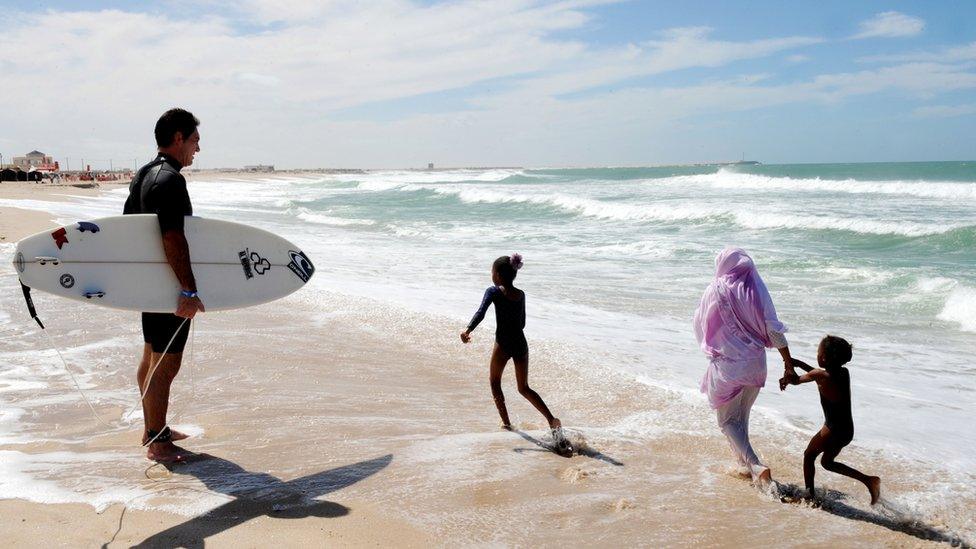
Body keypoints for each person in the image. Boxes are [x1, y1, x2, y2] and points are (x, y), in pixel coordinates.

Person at [123, 108, 205, 463]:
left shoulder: (144, 175)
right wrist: (188, 290)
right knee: (165, 364)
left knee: (152, 355)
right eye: (194, 141)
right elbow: (172, 236)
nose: (196, 150)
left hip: (151, 284)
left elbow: (130, 230)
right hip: (168, 286)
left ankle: (152, 429)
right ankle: (158, 440)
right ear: (178, 138)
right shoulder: (170, 179)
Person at [693, 247, 792, 484]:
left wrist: (716, 345)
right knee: (741, 418)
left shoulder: (713, 290)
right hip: (756, 363)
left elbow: (699, 325)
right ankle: (743, 464)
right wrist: (788, 363)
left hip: (729, 366)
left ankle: (756, 465)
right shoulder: (755, 289)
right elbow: (773, 329)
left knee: (727, 421)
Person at [460, 254, 569, 449]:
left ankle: (507, 423)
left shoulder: (493, 292)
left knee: (494, 382)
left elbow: (481, 312)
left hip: (503, 344)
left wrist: (467, 330)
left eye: (492, 271)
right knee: (524, 388)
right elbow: (523, 323)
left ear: (499, 275)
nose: (491, 275)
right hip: (520, 343)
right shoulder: (521, 294)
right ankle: (552, 420)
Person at [779, 335, 881, 504]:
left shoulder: (820, 375)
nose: (817, 355)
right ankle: (869, 480)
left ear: (824, 358)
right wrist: (798, 364)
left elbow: (797, 380)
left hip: (832, 430)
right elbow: (818, 374)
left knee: (809, 455)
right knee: (827, 462)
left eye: (818, 352)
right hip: (846, 430)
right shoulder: (843, 372)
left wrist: (789, 369)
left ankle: (809, 495)